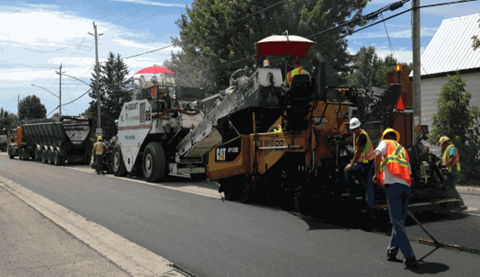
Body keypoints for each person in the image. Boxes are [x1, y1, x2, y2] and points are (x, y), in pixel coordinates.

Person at [372, 128, 418, 269]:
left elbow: (377, 154)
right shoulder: (402, 149)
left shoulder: (385, 143)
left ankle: (409, 256)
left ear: (384, 137)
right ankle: (392, 250)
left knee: (397, 223)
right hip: (406, 187)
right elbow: (409, 171)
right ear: (395, 137)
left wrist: (376, 173)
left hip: (394, 188)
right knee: (399, 222)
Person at [343, 117, 375, 213]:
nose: (354, 131)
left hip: (366, 164)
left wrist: (351, 164)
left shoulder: (362, 136)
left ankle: (350, 191)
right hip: (366, 163)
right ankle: (369, 207)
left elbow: (358, 152)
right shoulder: (356, 135)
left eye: (355, 129)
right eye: (353, 129)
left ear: (359, 127)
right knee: (367, 186)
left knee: (347, 170)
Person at [437, 136, 467, 210]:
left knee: (451, 188)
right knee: (449, 187)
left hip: (454, 170)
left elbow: (453, 158)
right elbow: (446, 160)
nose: (442, 147)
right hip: (451, 170)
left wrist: (445, 164)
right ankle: (454, 204)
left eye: (442, 145)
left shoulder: (451, 148)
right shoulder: (448, 149)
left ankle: (460, 204)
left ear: (445, 143)